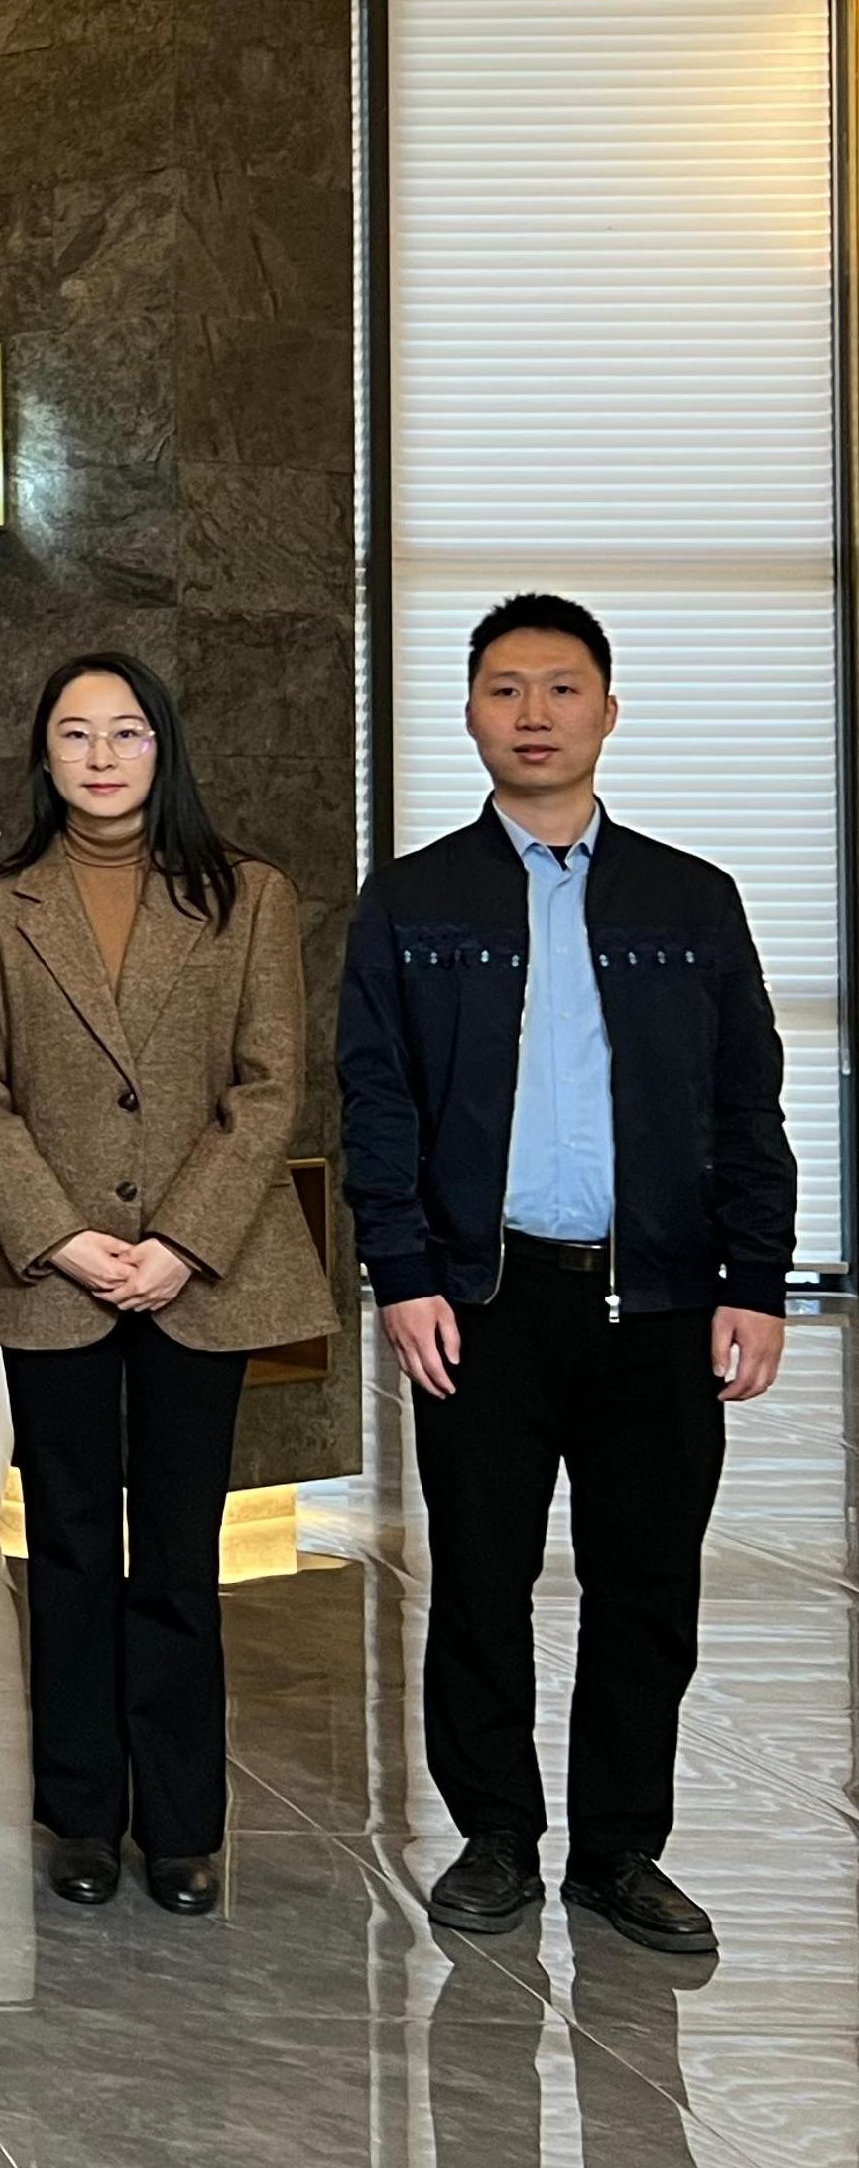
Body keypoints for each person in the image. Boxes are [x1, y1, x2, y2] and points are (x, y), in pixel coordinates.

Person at [342, 593, 792, 1957]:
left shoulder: (690, 899)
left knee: (645, 1581)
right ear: (470, 712)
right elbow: (378, 1101)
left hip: (655, 1299)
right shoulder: (414, 901)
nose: (532, 714)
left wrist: (757, 1281)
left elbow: (745, 1105)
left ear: (606, 707)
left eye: (560, 688)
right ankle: (493, 1837)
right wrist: (402, 1270)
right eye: (504, 690)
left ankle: (618, 1852)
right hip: (482, 1301)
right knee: (477, 1576)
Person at [0, 652, 332, 1917]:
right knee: (59, 1542)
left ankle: (179, 1824)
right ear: (43, 757)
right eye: (73, 735)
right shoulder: (0, 909)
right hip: (52, 1271)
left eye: (124, 733)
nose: (100, 757)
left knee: (175, 1547)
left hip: (200, 1272)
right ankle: (81, 1815)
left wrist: (179, 1241)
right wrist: (55, 1234)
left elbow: (271, 1085)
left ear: (163, 747)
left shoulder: (248, 897)